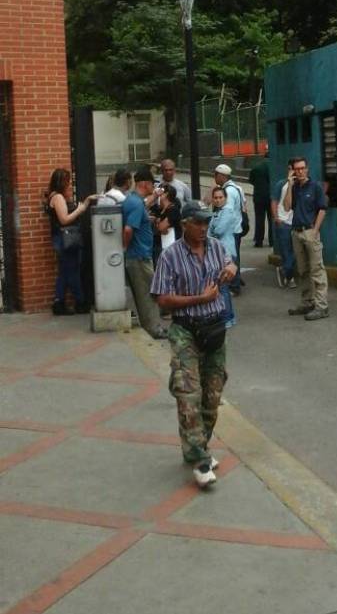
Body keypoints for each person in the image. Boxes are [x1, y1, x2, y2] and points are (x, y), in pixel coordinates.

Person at [150, 200, 237, 489]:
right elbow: (162, 299)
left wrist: (231, 270)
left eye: (206, 222)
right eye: (198, 222)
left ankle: (195, 447)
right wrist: (198, 299)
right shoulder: (170, 256)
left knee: (211, 397)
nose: (203, 227)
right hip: (185, 331)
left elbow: (230, 264)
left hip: (214, 330)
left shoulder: (215, 247)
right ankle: (200, 459)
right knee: (188, 394)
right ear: (184, 224)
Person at [121, 166, 168, 339]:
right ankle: (153, 328)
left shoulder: (134, 201)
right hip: (139, 255)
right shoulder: (135, 204)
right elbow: (128, 229)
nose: (153, 188)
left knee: (146, 292)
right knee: (148, 293)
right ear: (145, 184)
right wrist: (125, 247)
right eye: (151, 184)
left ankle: (151, 326)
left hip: (139, 254)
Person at [46, 168, 97, 315]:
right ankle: (80, 302)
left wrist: (85, 202)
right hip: (65, 239)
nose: (69, 184)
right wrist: (80, 210)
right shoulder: (58, 198)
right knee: (72, 271)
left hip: (61, 238)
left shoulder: (57, 196)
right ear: (61, 182)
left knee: (65, 271)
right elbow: (64, 219)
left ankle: (59, 302)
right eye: (67, 181)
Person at [284, 157, 329, 321]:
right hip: (296, 232)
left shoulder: (315, 187)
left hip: (310, 231)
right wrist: (289, 184)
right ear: (293, 171)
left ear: (307, 169)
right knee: (303, 270)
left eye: (302, 168)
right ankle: (307, 301)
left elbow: (322, 209)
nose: (300, 171)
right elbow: (287, 207)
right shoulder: (294, 188)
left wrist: (315, 231)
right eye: (297, 169)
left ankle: (322, 306)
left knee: (317, 270)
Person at [213, 163, 247, 288]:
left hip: (230, 231)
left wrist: (218, 229)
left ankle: (234, 285)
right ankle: (237, 280)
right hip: (237, 228)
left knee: (231, 258)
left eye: (216, 175)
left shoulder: (227, 191)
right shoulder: (238, 188)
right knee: (234, 255)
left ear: (222, 176)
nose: (215, 178)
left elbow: (226, 212)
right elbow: (244, 206)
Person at [271, 160, 296, 288]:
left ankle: (286, 271)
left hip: (296, 222)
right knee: (286, 251)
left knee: (295, 252)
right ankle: (289, 276)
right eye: (292, 169)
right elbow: (276, 202)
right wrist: (277, 218)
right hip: (283, 221)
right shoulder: (281, 184)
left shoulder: (303, 185)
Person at [150, 184, 182, 265]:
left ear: (166, 194)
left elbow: (161, 227)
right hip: (159, 246)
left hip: (170, 248)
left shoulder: (173, 210)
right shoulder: (160, 210)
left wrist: (156, 222)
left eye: (161, 192)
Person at [249, 153, 272, 248]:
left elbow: (251, 180)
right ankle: (272, 241)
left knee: (259, 219)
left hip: (258, 196)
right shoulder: (273, 166)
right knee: (272, 219)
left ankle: (259, 241)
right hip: (271, 196)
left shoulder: (256, 167)